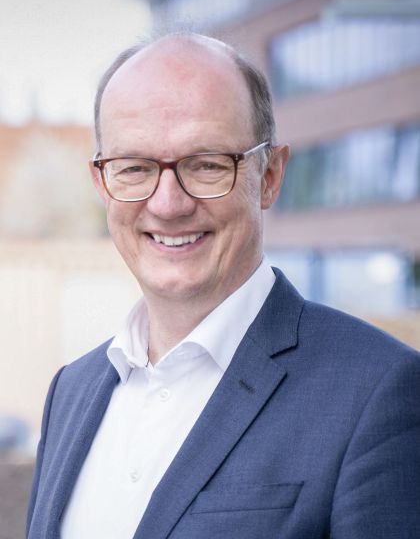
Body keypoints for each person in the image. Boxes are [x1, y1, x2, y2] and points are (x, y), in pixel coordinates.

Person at [27, 33, 420, 539]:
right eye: (135, 168)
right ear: (103, 183)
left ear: (270, 175)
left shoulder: (377, 392)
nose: (168, 204)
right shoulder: (71, 391)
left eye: (206, 165)